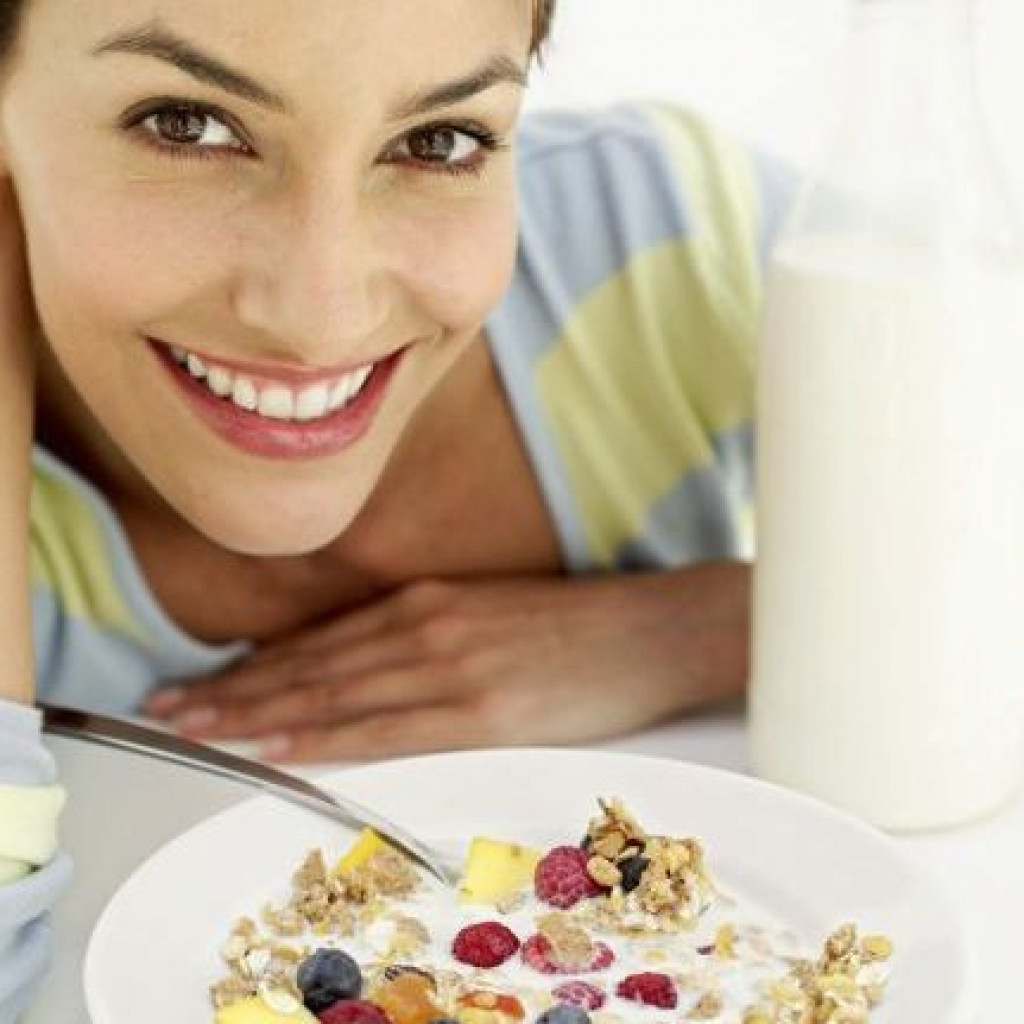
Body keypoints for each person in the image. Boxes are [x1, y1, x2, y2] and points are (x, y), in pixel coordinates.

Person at [0, 0, 794, 1015]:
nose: (321, 312)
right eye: (184, 125)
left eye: (439, 141)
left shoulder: (674, 248)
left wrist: (702, 629)